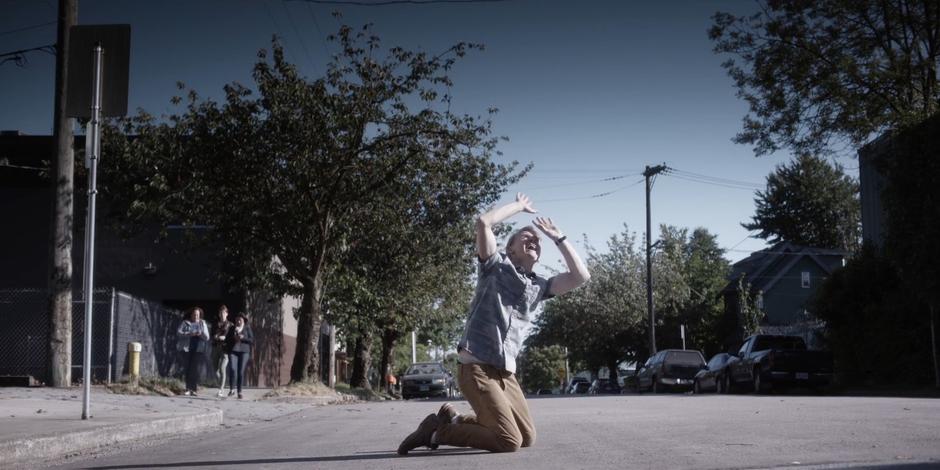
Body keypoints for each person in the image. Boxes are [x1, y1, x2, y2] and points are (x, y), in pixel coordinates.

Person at [397, 193, 590, 455]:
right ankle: (435, 432)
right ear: (510, 249)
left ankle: (453, 419)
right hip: (476, 366)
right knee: (509, 441)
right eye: (526, 237)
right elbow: (483, 222)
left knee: (526, 436)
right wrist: (519, 207)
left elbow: (580, 276)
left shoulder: (540, 286)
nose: (534, 240)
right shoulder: (494, 266)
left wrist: (559, 238)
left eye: (537, 240)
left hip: (505, 372)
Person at [177, 307, 210, 396]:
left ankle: (194, 389)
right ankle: (188, 388)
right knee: (187, 368)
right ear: (191, 315)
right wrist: (188, 334)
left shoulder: (202, 323)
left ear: (200, 316)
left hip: (198, 349)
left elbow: (207, 337)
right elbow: (178, 333)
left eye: (197, 315)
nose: (196, 316)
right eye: (194, 314)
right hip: (186, 349)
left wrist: (201, 333)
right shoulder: (185, 323)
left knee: (194, 369)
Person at [225, 313, 253, 399]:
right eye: (237, 319)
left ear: (244, 320)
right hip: (233, 351)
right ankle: (232, 389)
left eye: (240, 319)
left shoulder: (247, 328)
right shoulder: (232, 328)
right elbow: (226, 339)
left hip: (244, 352)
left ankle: (239, 391)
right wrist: (233, 338)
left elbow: (252, 340)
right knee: (233, 369)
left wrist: (243, 338)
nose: (238, 321)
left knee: (240, 372)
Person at [212, 305, 233, 398]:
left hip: (225, 349)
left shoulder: (230, 325)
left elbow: (232, 338)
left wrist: (225, 338)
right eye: (220, 312)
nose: (222, 314)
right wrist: (215, 336)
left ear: (227, 314)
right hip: (216, 347)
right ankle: (222, 381)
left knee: (222, 368)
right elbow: (211, 333)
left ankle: (221, 389)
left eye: (223, 312)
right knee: (215, 370)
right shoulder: (215, 324)